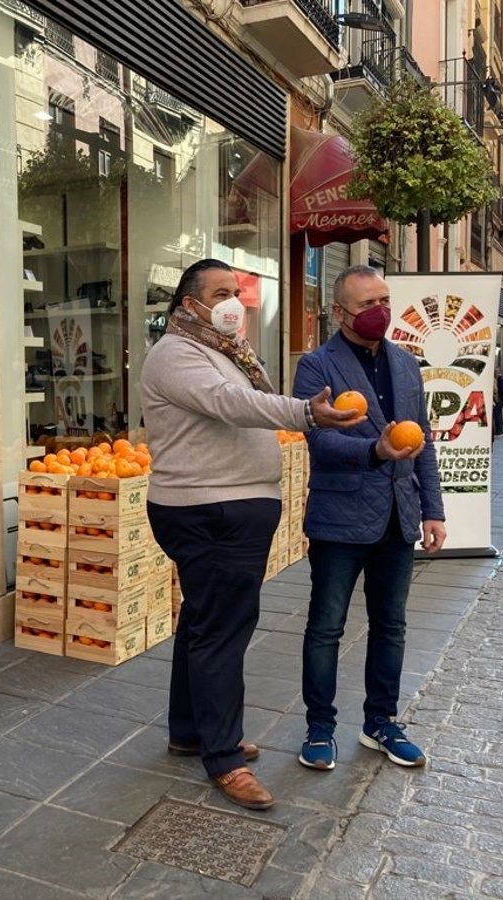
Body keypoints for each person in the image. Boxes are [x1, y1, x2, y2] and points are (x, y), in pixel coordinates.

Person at [141, 258, 363, 811]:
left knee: (203, 620)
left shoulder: (221, 352)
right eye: (219, 292)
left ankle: (191, 730)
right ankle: (224, 758)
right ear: (188, 303)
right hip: (208, 509)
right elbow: (232, 404)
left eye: (235, 291)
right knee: (224, 630)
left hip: (230, 505)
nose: (231, 302)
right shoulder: (176, 354)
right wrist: (304, 414)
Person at [292, 265, 446, 772]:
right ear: (340, 312)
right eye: (366, 304)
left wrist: (433, 511)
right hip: (340, 519)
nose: (379, 310)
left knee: (391, 627)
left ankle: (381, 722)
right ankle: (320, 728)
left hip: (398, 520)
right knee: (326, 627)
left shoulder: (406, 364)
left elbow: (420, 441)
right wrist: (375, 452)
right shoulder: (317, 366)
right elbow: (318, 439)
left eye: (384, 299)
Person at [493, 371, 503, 436]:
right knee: (499, 414)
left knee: (497, 415)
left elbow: (496, 390)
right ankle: (500, 430)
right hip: (502, 400)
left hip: (499, 400)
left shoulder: (499, 381)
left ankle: (499, 430)